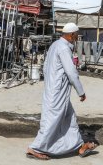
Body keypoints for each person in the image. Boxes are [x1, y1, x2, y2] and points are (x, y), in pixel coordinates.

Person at [26, 23, 97, 160]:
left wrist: (51, 82)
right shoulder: (64, 49)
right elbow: (71, 72)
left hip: (55, 89)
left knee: (70, 119)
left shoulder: (55, 45)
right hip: (57, 92)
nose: (77, 37)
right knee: (52, 120)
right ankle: (34, 148)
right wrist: (80, 91)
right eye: (77, 34)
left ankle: (79, 146)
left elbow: (46, 66)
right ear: (71, 35)